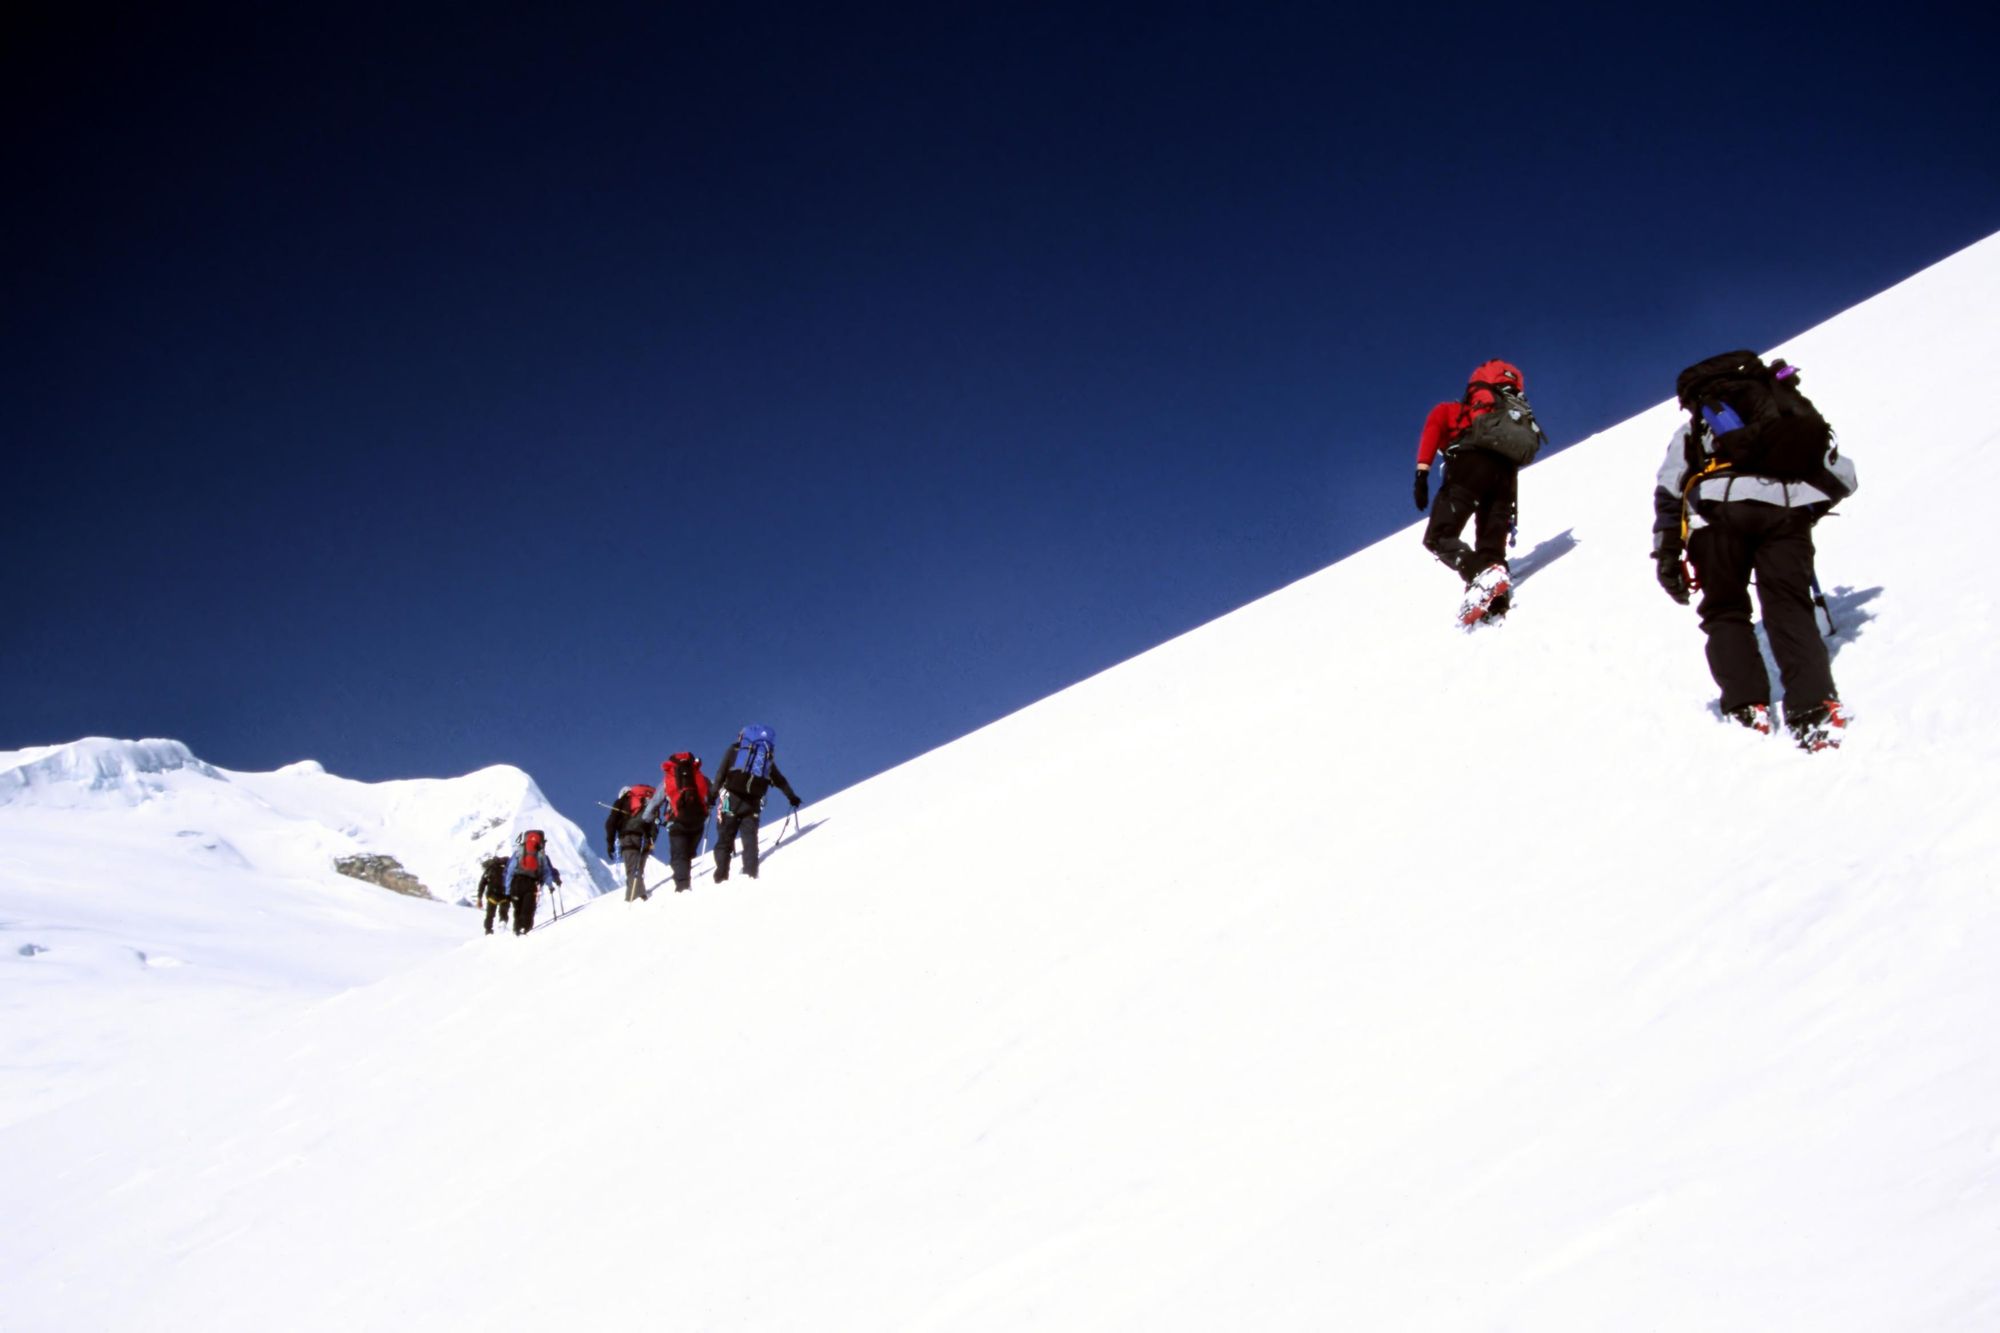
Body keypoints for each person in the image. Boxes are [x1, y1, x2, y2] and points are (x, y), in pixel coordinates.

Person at [1652, 350, 1858, 750]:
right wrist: (1807, 506)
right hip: (1784, 513)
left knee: (1725, 609)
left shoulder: (1695, 428)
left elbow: (1669, 490)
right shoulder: (1781, 408)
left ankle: (1747, 707)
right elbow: (1841, 474)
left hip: (1715, 516)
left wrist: (1667, 554)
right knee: (1788, 603)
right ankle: (1813, 708)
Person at [1412, 359, 1547, 626]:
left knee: (1439, 536)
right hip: (1506, 476)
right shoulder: (1498, 415)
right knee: (1490, 543)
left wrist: (1422, 473)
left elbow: (1432, 429)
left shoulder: (1451, 410)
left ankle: (1481, 574)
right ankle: (1496, 600)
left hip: (1470, 467)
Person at [709, 724, 802, 882]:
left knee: (725, 838)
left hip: (732, 799)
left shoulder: (734, 751)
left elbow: (720, 774)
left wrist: (712, 795)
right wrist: (792, 797)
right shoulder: (765, 759)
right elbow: (780, 780)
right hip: (753, 802)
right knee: (750, 839)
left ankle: (721, 876)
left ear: (743, 737)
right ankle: (750, 873)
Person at [639, 753, 711, 893]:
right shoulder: (700, 776)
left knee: (678, 855)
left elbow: (654, 803)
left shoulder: (668, 780)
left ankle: (682, 888)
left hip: (677, 822)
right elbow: (712, 791)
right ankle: (684, 880)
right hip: (698, 821)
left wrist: (645, 820)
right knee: (688, 854)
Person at [603, 783, 658, 901]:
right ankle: (633, 897)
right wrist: (650, 840)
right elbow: (652, 824)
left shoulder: (621, 802)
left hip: (628, 838)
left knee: (632, 870)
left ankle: (637, 899)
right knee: (638, 870)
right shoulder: (644, 804)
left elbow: (610, 823)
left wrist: (610, 843)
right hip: (644, 840)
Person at [504, 829, 563, 934]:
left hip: (516, 884)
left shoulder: (518, 852)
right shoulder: (542, 855)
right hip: (531, 885)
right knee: (528, 910)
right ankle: (525, 931)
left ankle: (517, 932)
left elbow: (509, 870)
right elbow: (547, 871)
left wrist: (507, 891)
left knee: (518, 910)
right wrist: (554, 882)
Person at [476, 854, 511, 935]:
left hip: (492, 896)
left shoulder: (489, 869)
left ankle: (488, 931)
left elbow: (482, 884)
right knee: (504, 913)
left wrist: (479, 898)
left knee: (490, 915)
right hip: (505, 895)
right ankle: (502, 926)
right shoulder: (507, 868)